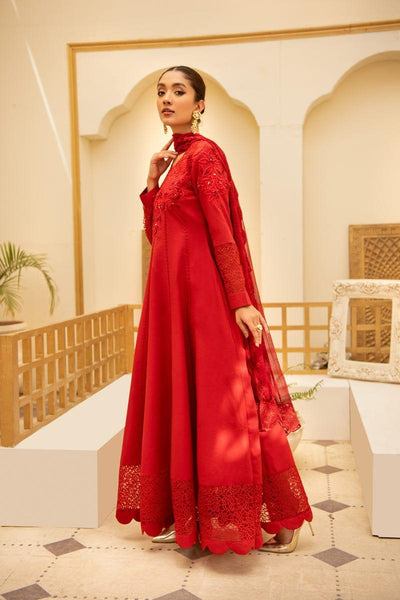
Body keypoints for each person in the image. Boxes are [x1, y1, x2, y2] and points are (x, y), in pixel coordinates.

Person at [115, 65, 314, 555]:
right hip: (172, 306)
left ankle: (283, 522)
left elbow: (222, 232)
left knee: (232, 408)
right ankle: (193, 518)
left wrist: (240, 302)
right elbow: (159, 237)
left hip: (205, 304)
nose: (167, 98)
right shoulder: (175, 161)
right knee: (187, 405)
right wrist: (151, 183)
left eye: (179, 91)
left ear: (199, 104)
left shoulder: (205, 156)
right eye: (161, 91)